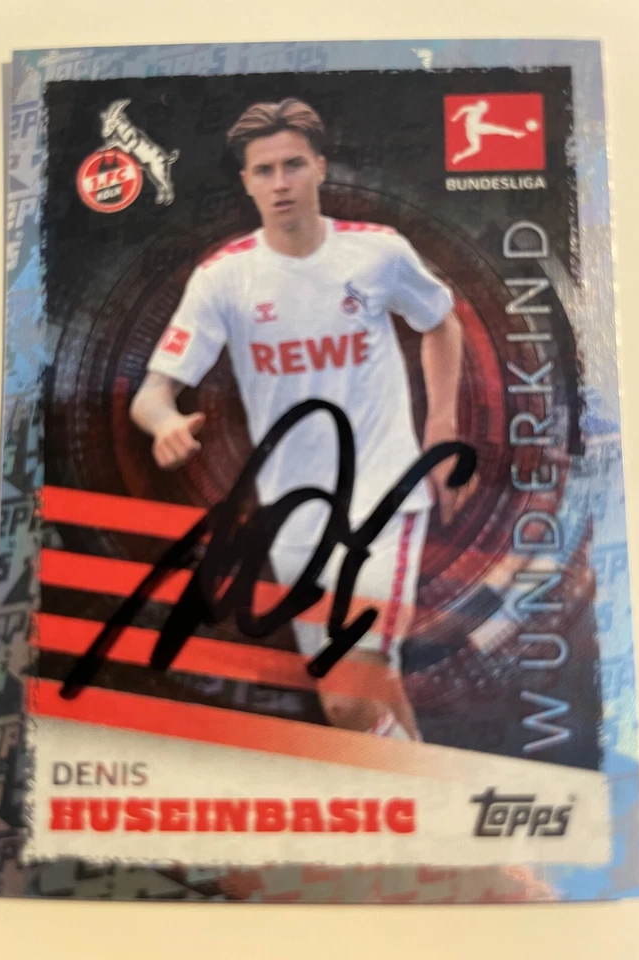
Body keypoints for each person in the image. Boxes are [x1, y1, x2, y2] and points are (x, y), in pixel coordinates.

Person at [130, 98, 476, 741]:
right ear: (246, 182)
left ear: (319, 166)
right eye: (264, 170)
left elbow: (440, 321)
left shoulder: (376, 253)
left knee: (349, 694)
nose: (280, 182)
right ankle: (434, 804)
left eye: (293, 164)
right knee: (366, 694)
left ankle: (425, 804)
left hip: (383, 494)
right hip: (292, 516)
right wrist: (164, 423)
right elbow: (152, 393)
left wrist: (442, 428)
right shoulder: (224, 278)